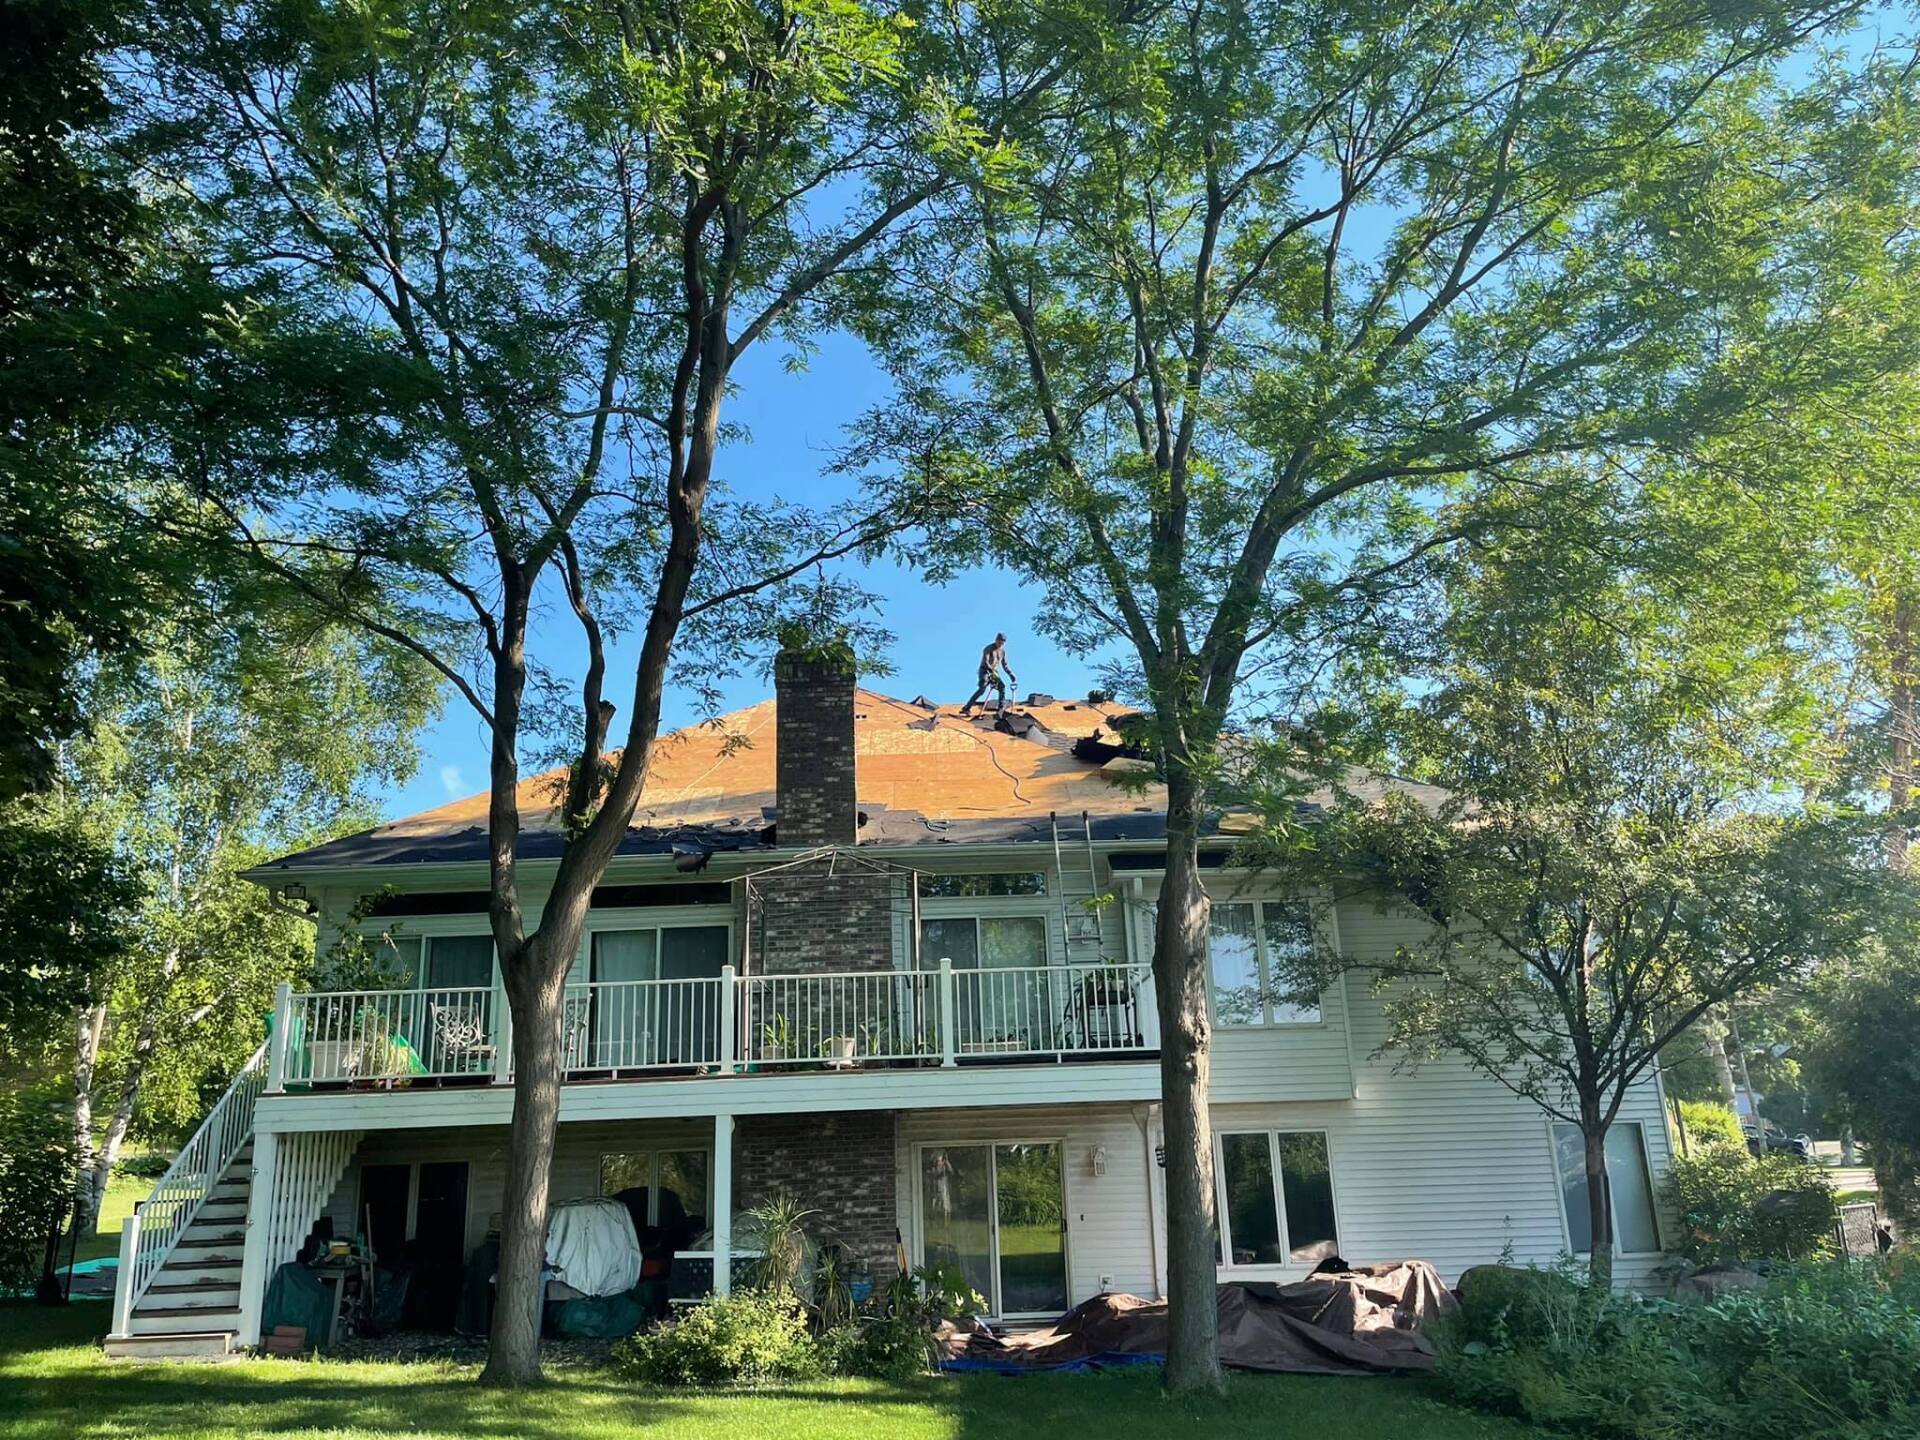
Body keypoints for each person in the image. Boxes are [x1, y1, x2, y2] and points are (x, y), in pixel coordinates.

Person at [960, 633, 1016, 715]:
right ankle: (967, 708)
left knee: (1002, 687)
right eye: (999, 641)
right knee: (982, 689)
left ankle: (1001, 708)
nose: (1000, 644)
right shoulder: (988, 648)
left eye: (1002, 643)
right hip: (984, 671)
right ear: (996, 640)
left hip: (994, 672)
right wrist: (990, 672)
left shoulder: (1002, 652)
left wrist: (1010, 674)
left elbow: (1005, 665)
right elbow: (986, 661)